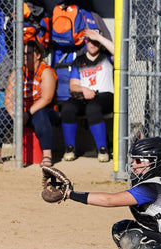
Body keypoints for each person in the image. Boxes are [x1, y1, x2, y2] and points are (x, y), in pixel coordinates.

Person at [0, 40, 57, 166]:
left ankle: (47, 155)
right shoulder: (18, 72)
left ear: (38, 55)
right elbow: (8, 98)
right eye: (23, 54)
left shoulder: (45, 71)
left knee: (41, 116)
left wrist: (27, 113)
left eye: (28, 53)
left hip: (44, 110)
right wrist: (14, 115)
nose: (25, 56)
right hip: (22, 112)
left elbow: (47, 99)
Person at [60, 28, 113, 163]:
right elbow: (73, 86)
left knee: (93, 108)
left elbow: (120, 53)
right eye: (90, 40)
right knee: (68, 108)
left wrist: (98, 37)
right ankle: (70, 148)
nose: (92, 44)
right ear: (86, 42)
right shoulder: (79, 61)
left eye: (95, 41)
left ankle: (102, 149)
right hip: (84, 95)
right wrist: (83, 89)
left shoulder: (106, 57)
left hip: (105, 96)